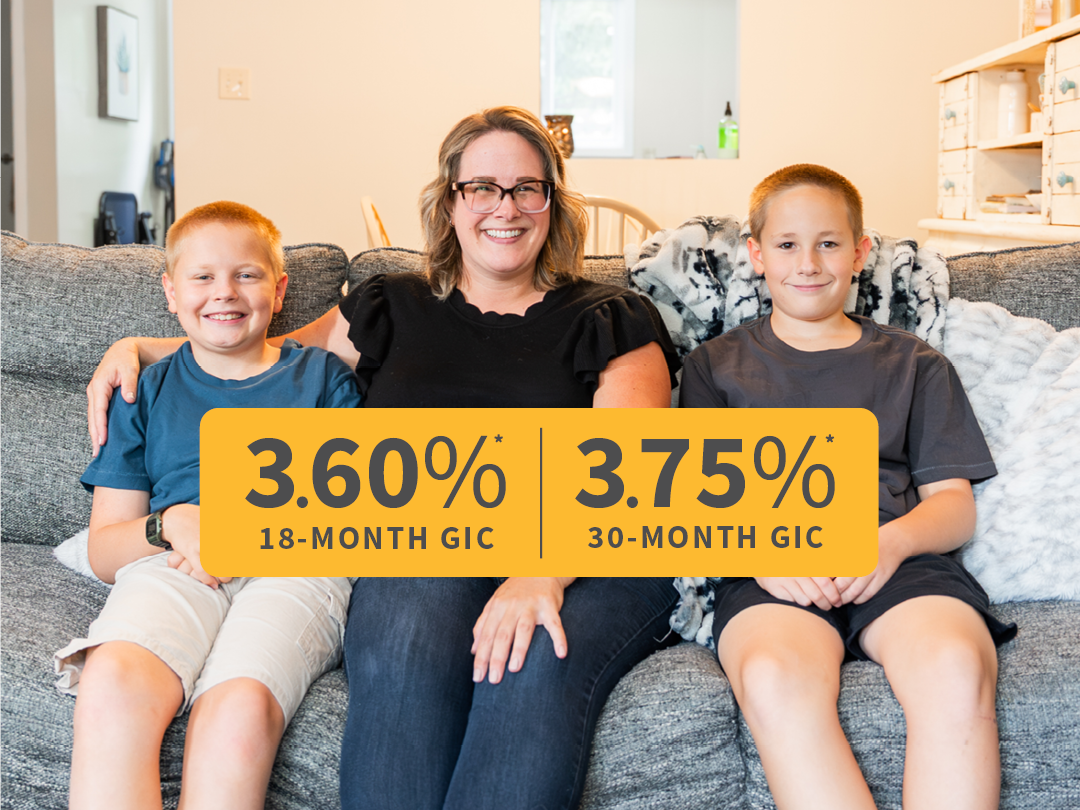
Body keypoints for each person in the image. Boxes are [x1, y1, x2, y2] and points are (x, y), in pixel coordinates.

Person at [85, 107, 681, 810]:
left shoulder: (611, 317)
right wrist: (135, 348)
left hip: (585, 554)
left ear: (553, 200)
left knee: (528, 660)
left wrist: (540, 574)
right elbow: (262, 355)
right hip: (425, 540)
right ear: (450, 200)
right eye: (482, 187)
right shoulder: (389, 304)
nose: (506, 207)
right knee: (404, 638)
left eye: (528, 187)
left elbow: (625, 475)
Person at [679, 164, 1017, 810]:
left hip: (896, 561)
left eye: (829, 243)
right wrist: (763, 556)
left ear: (861, 253)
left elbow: (953, 506)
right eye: (786, 245)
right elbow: (695, 502)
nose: (808, 262)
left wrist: (888, 546)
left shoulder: (915, 364)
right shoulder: (713, 369)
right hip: (769, 568)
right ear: (756, 255)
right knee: (774, 676)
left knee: (955, 666)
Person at [60, 201, 360, 810]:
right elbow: (103, 549)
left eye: (246, 275)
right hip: (174, 561)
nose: (224, 292)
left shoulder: (325, 380)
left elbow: (352, 517)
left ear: (278, 291)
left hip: (294, 565)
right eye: (202, 277)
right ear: (171, 293)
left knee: (237, 708)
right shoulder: (145, 389)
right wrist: (167, 523)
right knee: (112, 682)